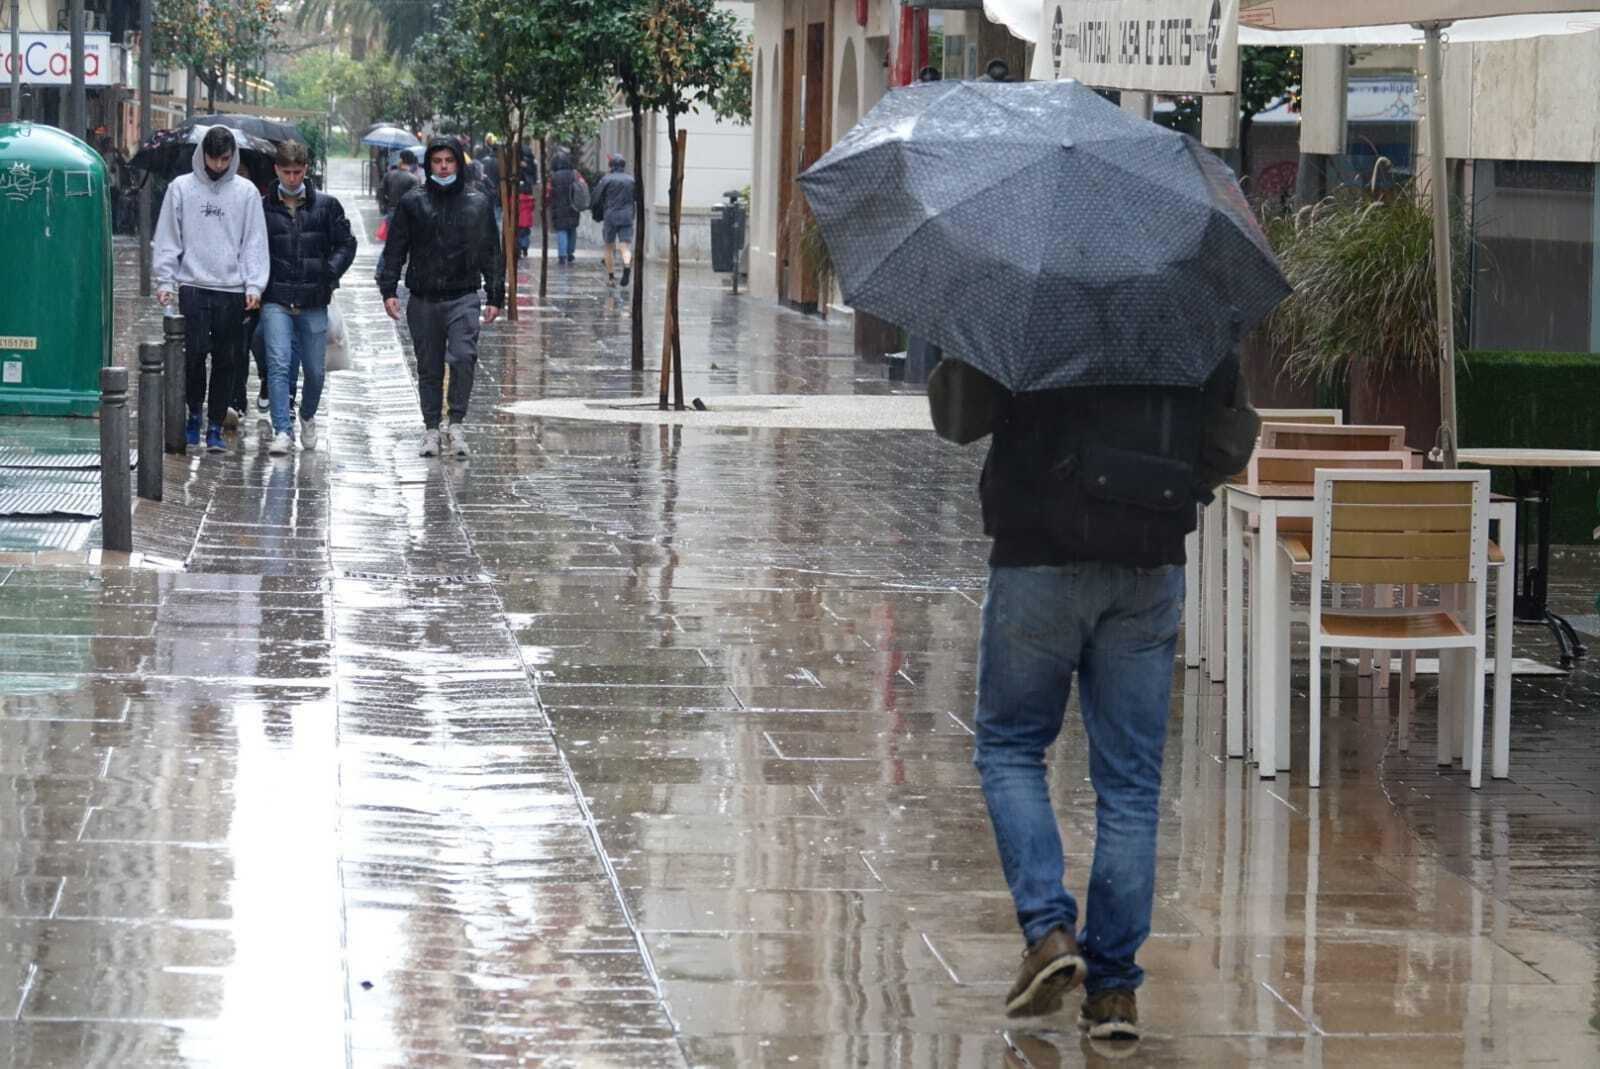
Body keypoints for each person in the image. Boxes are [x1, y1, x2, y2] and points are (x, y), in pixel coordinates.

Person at [930, 351, 1256, 1044]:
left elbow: (957, 417)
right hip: (1147, 558)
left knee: (1011, 748)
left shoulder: (1026, 292)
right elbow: (1227, 444)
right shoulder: (1183, 297)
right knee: (1131, 784)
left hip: (1038, 555)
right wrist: (1174, 489)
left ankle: (1048, 927)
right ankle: (1112, 991)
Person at [375, 137, 503, 459]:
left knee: (463, 356)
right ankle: (431, 427)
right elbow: (395, 248)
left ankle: (456, 422)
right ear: (428, 164)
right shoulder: (412, 203)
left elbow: (491, 251)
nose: (443, 166)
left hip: (463, 295)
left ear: (458, 163)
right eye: (437, 161)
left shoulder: (477, 203)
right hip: (423, 297)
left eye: (449, 160)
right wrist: (389, 289)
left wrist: (495, 294)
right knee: (429, 366)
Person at [152, 126, 269, 454]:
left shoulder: (245, 193)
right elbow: (167, 237)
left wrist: (254, 284)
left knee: (227, 360)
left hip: (232, 289)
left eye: (224, 159)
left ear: (232, 158)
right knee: (195, 354)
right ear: (202, 154)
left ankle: (216, 424)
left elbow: (254, 241)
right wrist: (165, 280)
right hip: (193, 284)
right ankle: (193, 414)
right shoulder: (181, 188)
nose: (218, 165)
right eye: (213, 158)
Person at [259, 141, 357, 457]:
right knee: (278, 364)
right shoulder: (263, 207)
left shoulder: (326, 207)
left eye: (297, 172)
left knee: (315, 370)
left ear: (306, 170)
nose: (291, 178)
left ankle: (307, 415)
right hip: (276, 298)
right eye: (286, 171)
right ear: (277, 169)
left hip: (314, 300)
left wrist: (328, 272)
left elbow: (347, 244)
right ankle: (282, 430)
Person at [592, 154, 636, 289]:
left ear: (611, 166)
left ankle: (611, 278)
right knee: (625, 246)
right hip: (627, 216)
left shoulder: (606, 180)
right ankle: (627, 265)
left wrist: (596, 212)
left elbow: (596, 197)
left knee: (609, 247)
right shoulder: (631, 180)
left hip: (610, 216)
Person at [547, 149, 581, 265]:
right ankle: (570, 253)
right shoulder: (574, 174)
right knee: (572, 229)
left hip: (559, 207)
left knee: (561, 230)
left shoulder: (553, 177)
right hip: (573, 206)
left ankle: (562, 255)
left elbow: (548, 192)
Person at [379, 148, 419, 219]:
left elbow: (381, 192)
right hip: (406, 215)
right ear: (412, 163)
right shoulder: (414, 179)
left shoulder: (389, 174)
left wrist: (384, 207)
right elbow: (416, 200)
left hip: (390, 211)